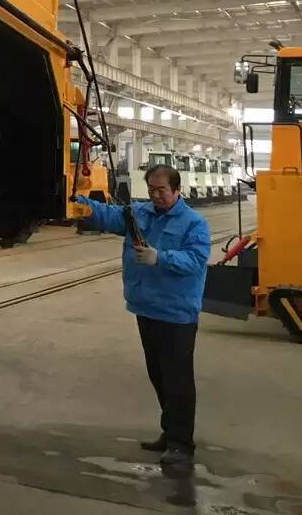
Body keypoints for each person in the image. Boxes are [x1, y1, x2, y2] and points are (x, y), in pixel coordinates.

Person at [71, 164, 210, 469]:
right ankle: (170, 433)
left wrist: (160, 257)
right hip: (147, 309)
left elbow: (196, 260)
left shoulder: (193, 223)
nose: (156, 196)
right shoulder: (138, 214)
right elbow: (106, 215)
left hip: (176, 313)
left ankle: (181, 445)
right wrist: (75, 202)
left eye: (162, 190)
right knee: (158, 375)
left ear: (177, 190)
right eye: (151, 190)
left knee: (177, 379)